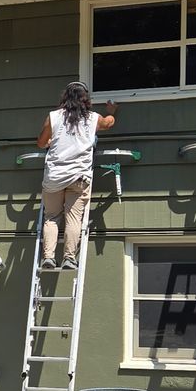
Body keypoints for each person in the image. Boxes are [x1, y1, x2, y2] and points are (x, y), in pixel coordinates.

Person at [35, 83, 117, 268]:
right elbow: (109, 123)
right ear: (85, 99)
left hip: (54, 177)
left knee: (51, 217)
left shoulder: (53, 117)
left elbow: (40, 143)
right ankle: (69, 258)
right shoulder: (92, 118)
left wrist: (50, 141)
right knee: (73, 218)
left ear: (65, 97)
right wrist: (112, 111)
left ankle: (48, 257)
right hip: (78, 177)